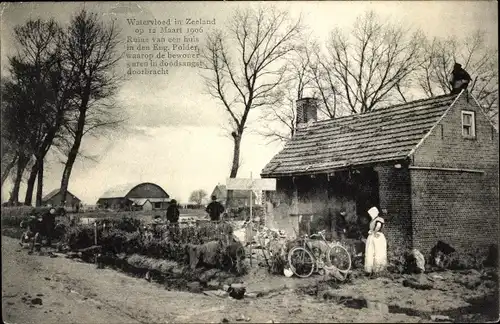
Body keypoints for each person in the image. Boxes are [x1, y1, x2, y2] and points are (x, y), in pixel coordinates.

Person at [364, 206, 387, 275]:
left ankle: (378, 270)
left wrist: (374, 232)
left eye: (371, 213)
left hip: (377, 237)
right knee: (370, 252)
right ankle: (370, 270)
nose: (370, 215)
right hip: (372, 237)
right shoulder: (372, 220)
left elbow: (378, 226)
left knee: (378, 252)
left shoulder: (379, 219)